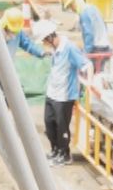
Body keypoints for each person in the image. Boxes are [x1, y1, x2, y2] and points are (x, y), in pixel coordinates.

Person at [35, 19, 87, 165]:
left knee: (61, 126)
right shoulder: (55, 49)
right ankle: (55, 150)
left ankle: (64, 154)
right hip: (52, 93)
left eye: (44, 40)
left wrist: (86, 87)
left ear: (49, 37)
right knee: (49, 123)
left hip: (64, 96)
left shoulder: (69, 48)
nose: (44, 43)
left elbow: (86, 65)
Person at [62, 0, 113, 70]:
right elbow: (104, 25)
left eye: (70, 6)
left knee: (92, 72)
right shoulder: (93, 8)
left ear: (74, 3)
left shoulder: (84, 13)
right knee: (100, 73)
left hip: (96, 49)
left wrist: (85, 54)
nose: (72, 9)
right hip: (106, 46)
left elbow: (89, 34)